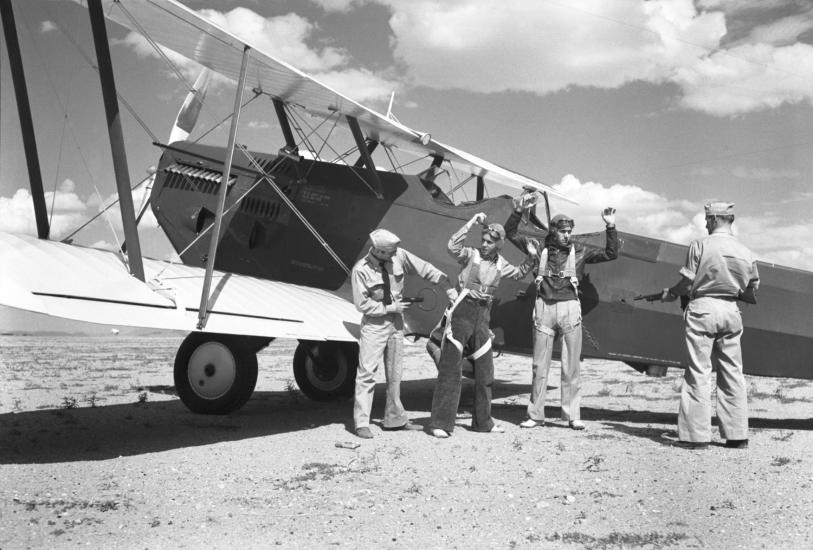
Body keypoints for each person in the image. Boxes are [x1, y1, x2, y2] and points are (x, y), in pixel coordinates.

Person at [505, 198, 618, 431]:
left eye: (569, 232)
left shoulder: (581, 251)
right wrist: (518, 210)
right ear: (553, 231)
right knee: (539, 367)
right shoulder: (537, 247)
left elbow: (610, 253)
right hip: (544, 308)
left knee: (571, 367)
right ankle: (535, 415)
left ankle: (572, 415)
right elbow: (510, 232)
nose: (567, 235)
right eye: (563, 231)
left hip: (569, 309)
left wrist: (610, 226)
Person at [655, 202, 759, 450]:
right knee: (733, 372)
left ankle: (695, 436)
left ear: (713, 219)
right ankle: (737, 436)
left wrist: (670, 293)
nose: (705, 223)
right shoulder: (746, 251)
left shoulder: (700, 245)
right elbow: (752, 287)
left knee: (699, 371)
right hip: (731, 310)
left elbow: (687, 282)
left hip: (703, 308)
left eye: (706, 219)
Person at [428, 213, 535, 438]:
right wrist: (472, 221)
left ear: (499, 244)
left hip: (483, 316)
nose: (484, 245)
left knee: (486, 373)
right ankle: (440, 423)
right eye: (483, 240)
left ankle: (483, 422)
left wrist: (531, 257)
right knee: (450, 369)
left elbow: (518, 274)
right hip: (462, 312)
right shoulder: (470, 255)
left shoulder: (501, 264)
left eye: (489, 242)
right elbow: (452, 247)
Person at [351, 228, 456, 439]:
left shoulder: (398, 255)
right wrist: (390, 309)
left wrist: (445, 283)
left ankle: (394, 419)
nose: (394, 255)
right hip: (375, 324)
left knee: (395, 373)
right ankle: (361, 422)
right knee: (367, 373)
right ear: (379, 251)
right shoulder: (360, 270)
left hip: (396, 324)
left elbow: (423, 268)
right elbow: (362, 304)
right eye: (389, 253)